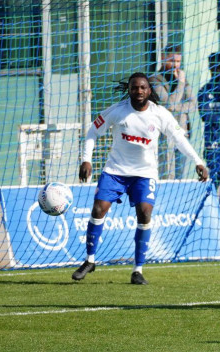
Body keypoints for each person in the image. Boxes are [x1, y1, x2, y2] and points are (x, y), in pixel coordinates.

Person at [72, 72, 209, 285]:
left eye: (143, 87)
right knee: (98, 209)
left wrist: (198, 161)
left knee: (145, 213)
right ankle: (89, 260)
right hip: (115, 171)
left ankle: (138, 270)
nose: (139, 91)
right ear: (129, 89)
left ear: (149, 90)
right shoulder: (118, 111)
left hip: (145, 173)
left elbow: (179, 138)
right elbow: (92, 132)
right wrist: (86, 160)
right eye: (135, 87)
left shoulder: (160, 114)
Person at [149, 45, 198, 179]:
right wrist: (180, 84)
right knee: (168, 176)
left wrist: (176, 107)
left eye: (177, 62)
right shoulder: (155, 80)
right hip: (165, 135)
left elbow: (193, 104)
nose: (175, 65)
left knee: (180, 175)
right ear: (164, 59)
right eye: (172, 61)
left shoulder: (182, 78)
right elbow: (168, 104)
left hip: (182, 133)